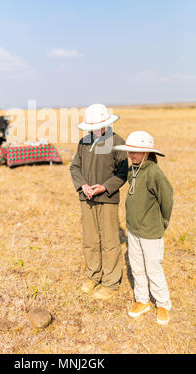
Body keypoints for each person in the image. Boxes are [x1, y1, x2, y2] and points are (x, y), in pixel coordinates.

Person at [114, 131, 173, 325]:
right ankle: (142, 299)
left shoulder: (154, 172)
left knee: (153, 268)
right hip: (133, 230)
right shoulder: (133, 170)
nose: (131, 155)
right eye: (130, 152)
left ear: (147, 153)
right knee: (137, 267)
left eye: (136, 152)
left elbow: (167, 199)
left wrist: (162, 223)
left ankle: (163, 303)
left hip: (150, 232)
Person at [70, 104, 128, 300]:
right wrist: (83, 186)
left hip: (108, 199)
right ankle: (93, 276)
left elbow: (122, 173)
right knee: (90, 240)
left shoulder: (118, 142)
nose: (94, 129)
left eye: (98, 125)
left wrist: (104, 187)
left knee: (111, 241)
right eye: (91, 126)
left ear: (106, 123)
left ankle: (111, 283)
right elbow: (74, 168)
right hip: (86, 198)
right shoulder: (83, 142)